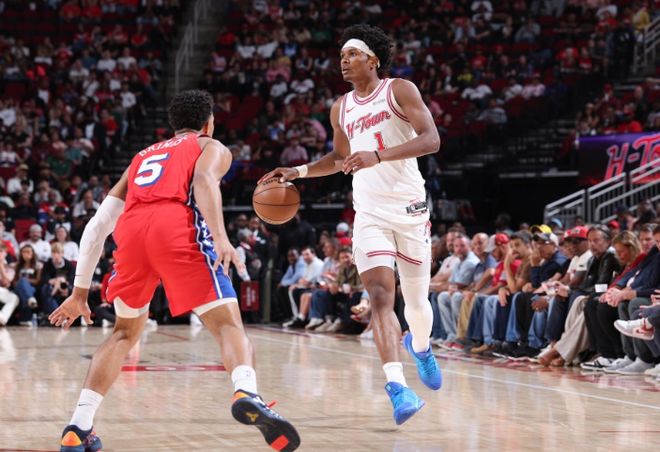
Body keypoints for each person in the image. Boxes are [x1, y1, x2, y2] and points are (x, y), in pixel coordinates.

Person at [48, 90, 300, 451]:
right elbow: (204, 181)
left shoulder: (141, 157)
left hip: (132, 232)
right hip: (175, 226)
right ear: (209, 123)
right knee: (227, 324)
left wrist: (79, 292)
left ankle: (78, 426)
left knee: (123, 333)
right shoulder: (210, 146)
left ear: (173, 125)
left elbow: (99, 224)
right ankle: (247, 391)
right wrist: (221, 238)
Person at [261, 24, 441, 424]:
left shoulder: (399, 90)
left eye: (352, 54)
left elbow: (431, 140)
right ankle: (398, 387)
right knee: (379, 296)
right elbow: (339, 159)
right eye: (341, 56)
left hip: (410, 209)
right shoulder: (340, 107)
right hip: (369, 213)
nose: (344, 61)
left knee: (416, 303)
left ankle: (421, 346)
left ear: (373, 59)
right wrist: (298, 171)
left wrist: (378, 155)